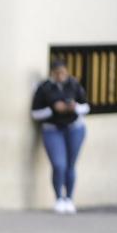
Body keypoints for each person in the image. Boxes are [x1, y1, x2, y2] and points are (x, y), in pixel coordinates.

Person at [31, 58, 89, 214]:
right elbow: (35, 113)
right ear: (52, 73)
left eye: (63, 72)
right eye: (57, 72)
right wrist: (54, 109)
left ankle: (69, 199)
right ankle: (58, 198)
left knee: (71, 164)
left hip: (74, 128)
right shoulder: (44, 88)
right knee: (59, 165)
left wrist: (74, 107)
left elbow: (86, 107)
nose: (60, 75)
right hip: (53, 128)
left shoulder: (74, 85)